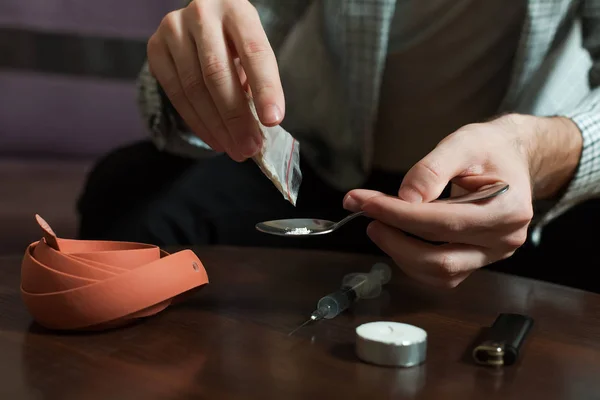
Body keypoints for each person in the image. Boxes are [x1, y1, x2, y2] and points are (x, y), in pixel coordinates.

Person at [77, 0, 600, 291]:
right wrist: (192, 69)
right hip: (324, 174)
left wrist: (534, 150)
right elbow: (230, 26)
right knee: (127, 192)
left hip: (515, 196)